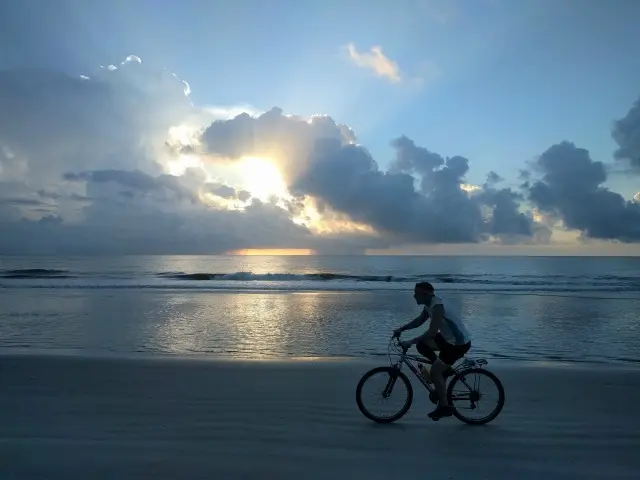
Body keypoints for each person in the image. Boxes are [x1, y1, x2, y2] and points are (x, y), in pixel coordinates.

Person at [393, 281, 471, 420]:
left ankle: (445, 407)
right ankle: (444, 370)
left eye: (416, 293)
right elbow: (419, 321)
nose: (414, 296)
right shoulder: (429, 305)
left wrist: (410, 341)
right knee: (422, 345)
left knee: (435, 370)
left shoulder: (437, 307)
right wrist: (401, 329)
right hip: (448, 340)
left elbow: (432, 332)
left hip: (458, 344)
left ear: (426, 294)